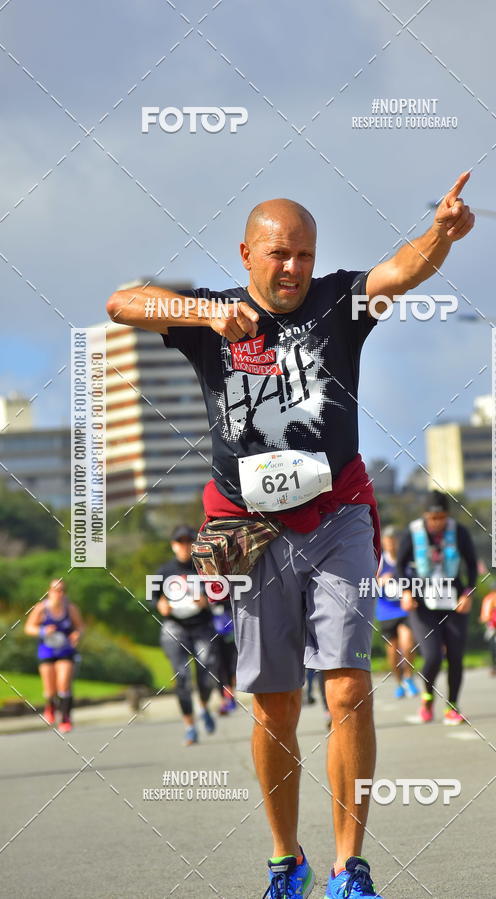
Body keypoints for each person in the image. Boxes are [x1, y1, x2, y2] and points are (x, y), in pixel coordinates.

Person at [107, 176, 474, 899]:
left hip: (338, 514)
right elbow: (121, 302)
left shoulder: (340, 303)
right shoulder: (212, 314)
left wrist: (442, 233)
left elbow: (403, 270)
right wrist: (204, 318)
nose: (293, 269)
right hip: (250, 530)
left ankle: (350, 867)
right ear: (248, 253)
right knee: (274, 703)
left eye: (304, 254)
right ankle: (287, 861)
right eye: (279, 254)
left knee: (346, 687)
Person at [399, 490, 478, 726]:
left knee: (455, 656)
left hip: (454, 603)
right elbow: (400, 566)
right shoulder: (412, 533)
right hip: (422, 605)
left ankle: (452, 707)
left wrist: (468, 593)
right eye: (433, 518)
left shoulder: (459, 532)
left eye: (442, 517)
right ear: (425, 516)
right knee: (432, 656)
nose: (437, 523)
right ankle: (427, 698)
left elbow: (472, 565)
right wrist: (405, 591)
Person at [150, 524, 219, 746]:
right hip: (175, 626)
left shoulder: (206, 568)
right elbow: (152, 598)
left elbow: (222, 595)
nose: (185, 546)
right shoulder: (163, 571)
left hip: (202, 626)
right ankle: (190, 726)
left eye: (189, 541)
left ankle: (203, 705)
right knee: (181, 676)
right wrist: (160, 604)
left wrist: (207, 601)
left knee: (207, 671)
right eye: (180, 542)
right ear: (173, 545)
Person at [24, 578, 84, 733]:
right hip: (47, 651)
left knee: (64, 683)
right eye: (56, 590)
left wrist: (77, 635)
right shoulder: (41, 608)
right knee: (50, 689)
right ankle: (50, 705)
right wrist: (43, 631)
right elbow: (29, 627)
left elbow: (80, 627)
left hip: (65, 650)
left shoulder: (70, 608)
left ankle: (65, 719)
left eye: (63, 590)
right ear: (49, 591)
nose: (60, 593)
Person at [375, 526, 418, 698]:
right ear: (384, 542)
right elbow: (366, 586)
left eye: (394, 540)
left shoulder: (406, 560)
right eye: (388, 540)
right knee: (392, 652)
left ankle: (408, 677)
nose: (392, 543)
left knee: (407, 643)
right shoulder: (378, 562)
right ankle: (399, 682)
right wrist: (379, 582)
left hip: (404, 609)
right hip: (386, 612)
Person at [210, 595, 238, 715]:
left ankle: (230, 696)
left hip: (228, 629)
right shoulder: (199, 583)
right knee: (218, 668)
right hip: (211, 632)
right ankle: (226, 699)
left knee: (231, 666)